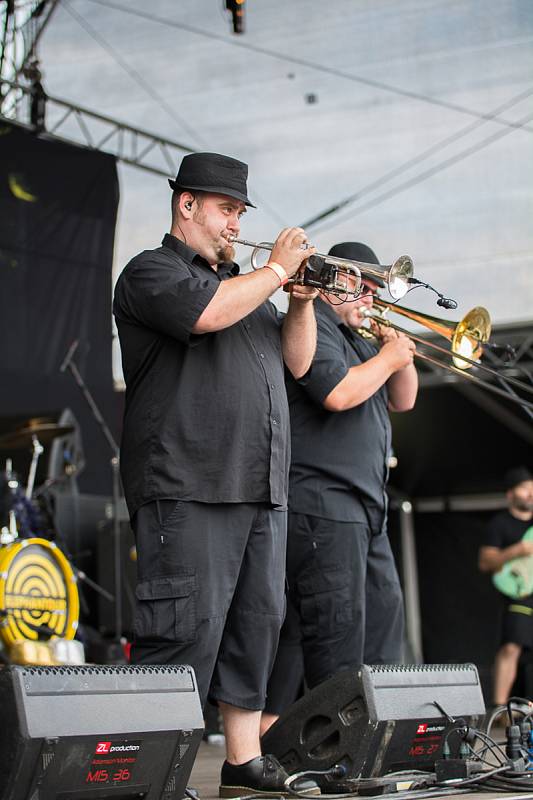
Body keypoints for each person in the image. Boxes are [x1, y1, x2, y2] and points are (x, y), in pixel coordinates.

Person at [112, 152, 320, 797]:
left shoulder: (246, 289)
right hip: (187, 482)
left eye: (240, 212)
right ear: (187, 206)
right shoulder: (153, 272)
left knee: (256, 627)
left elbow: (300, 365)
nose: (236, 223)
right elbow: (206, 314)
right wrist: (276, 269)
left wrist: (302, 301)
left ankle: (241, 761)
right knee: (182, 631)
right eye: (227, 209)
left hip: (258, 487)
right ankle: (150, 775)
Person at [261, 241, 418, 732]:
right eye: (364, 289)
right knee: (335, 635)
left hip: (367, 509)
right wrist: (390, 357)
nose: (371, 300)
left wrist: (400, 354)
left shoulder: (364, 341)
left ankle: (375, 734)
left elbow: (405, 400)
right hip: (324, 502)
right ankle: (335, 749)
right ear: (337, 285)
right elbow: (335, 393)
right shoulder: (316, 326)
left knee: (384, 622)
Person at [478, 466, 533, 705]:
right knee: (511, 647)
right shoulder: (500, 524)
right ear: (510, 494)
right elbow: (485, 562)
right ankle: (499, 708)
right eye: (524, 488)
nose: (530, 493)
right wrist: (517, 550)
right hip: (519, 592)